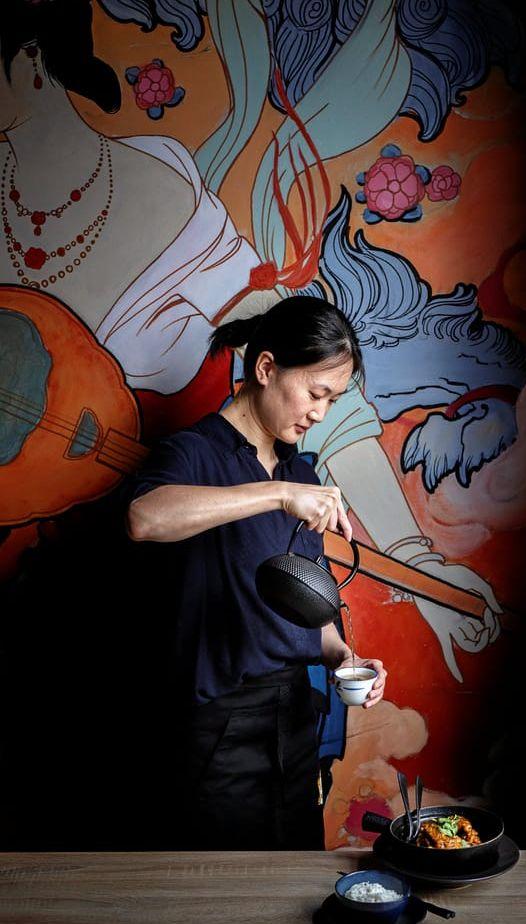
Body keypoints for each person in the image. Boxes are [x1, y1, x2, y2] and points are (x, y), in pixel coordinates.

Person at [124, 295, 387, 850]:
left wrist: (343, 656)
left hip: (293, 718)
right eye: (316, 393)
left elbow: (308, 603)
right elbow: (145, 518)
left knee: (296, 877)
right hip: (215, 726)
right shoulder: (196, 451)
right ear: (266, 368)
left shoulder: (300, 473)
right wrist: (277, 494)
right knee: (222, 884)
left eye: (332, 401)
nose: (320, 414)